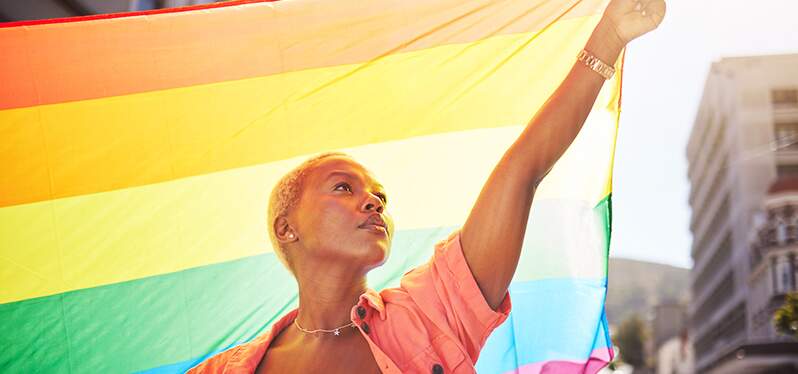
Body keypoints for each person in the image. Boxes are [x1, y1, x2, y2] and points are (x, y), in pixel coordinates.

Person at [189, 0, 665, 372]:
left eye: (379, 195)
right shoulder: (222, 369)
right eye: (342, 188)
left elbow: (521, 173)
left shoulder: (428, 318)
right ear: (287, 228)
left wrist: (607, 39)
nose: (373, 200)